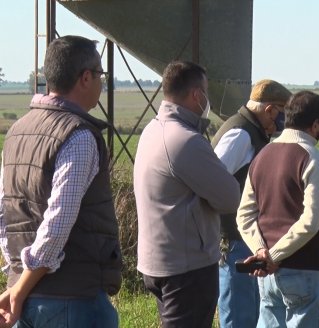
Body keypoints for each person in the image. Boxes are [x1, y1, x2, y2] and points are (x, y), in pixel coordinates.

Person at [0, 35, 122, 327]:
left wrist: (17, 278)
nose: (101, 83)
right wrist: (19, 287)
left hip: (23, 295)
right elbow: (57, 225)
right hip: (72, 301)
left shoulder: (17, 130)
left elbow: (5, 215)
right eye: (100, 75)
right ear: (85, 77)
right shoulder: (78, 136)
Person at [134, 60, 241, 328]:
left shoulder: (152, 130)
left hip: (158, 259)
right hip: (186, 266)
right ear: (197, 95)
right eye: (205, 92)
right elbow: (230, 197)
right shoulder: (185, 140)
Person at [236, 90, 319, 328]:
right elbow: (310, 222)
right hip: (307, 271)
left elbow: (244, 215)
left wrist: (262, 251)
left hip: (268, 275)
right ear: (315, 125)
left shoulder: (262, 155)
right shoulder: (314, 159)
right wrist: (274, 256)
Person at [211, 79, 292, 328]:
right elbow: (212, 181)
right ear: (270, 110)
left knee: (250, 314)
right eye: (282, 111)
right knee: (239, 316)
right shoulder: (240, 135)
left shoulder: (252, 131)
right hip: (234, 240)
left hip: (245, 240)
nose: (283, 120)